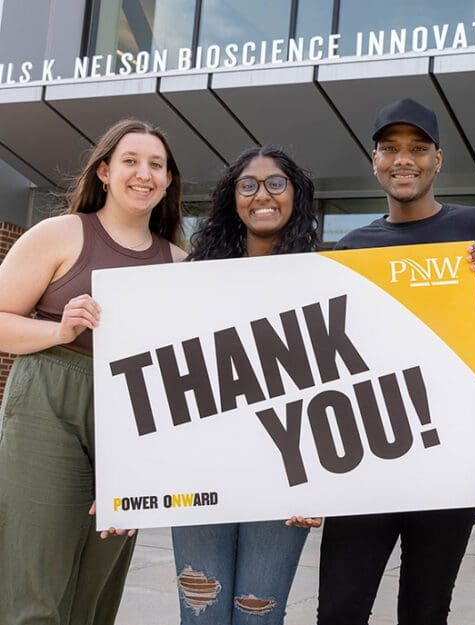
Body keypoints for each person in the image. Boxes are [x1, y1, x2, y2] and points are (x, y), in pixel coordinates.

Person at [317, 98, 475, 625]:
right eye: (390, 149)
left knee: (425, 611)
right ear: (373, 160)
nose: (404, 159)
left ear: (437, 160)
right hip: (365, 460)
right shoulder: (352, 248)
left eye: (418, 148)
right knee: (339, 611)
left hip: (450, 460)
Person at [0, 118, 186, 625]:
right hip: (49, 400)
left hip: (132, 412)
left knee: (97, 586)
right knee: (33, 581)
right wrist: (58, 331)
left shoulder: (180, 265)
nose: (143, 173)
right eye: (130, 160)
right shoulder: (60, 234)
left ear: (169, 180)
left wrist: (146, 468)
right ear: (104, 171)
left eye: (156, 164)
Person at [172, 146, 321, 625]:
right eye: (249, 184)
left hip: (283, 472)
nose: (263, 195)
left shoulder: (324, 281)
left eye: (276, 183)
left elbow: (333, 387)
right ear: (232, 198)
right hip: (199, 470)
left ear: (295, 195)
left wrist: (327, 484)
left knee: (259, 614)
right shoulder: (190, 281)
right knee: (202, 612)